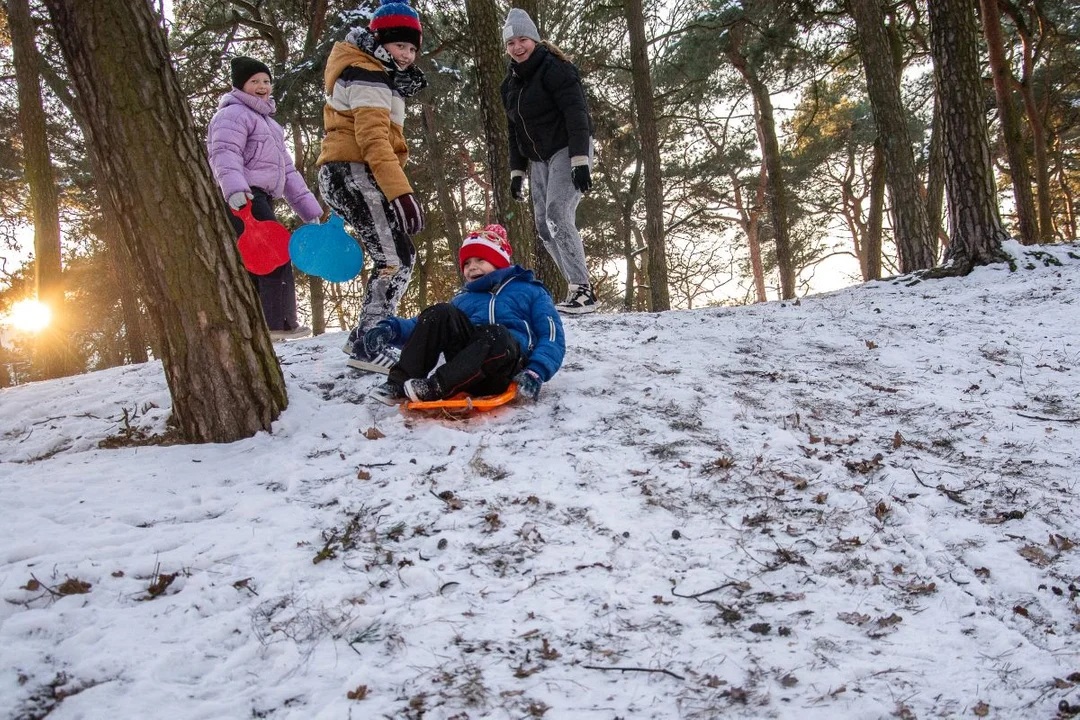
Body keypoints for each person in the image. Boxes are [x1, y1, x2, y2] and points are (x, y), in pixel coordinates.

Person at [316, 0, 428, 371]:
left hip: (349, 171)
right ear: (381, 41)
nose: (408, 54)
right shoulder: (367, 72)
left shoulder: (374, 70)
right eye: (400, 46)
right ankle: (370, 341)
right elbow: (374, 141)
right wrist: (402, 194)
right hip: (356, 170)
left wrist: (395, 81)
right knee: (394, 260)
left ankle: (361, 336)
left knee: (399, 256)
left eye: (412, 48)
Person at [364, 225, 565, 406]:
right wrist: (391, 329)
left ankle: (435, 387)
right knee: (440, 312)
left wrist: (536, 371)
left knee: (496, 333)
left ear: (499, 261)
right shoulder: (463, 299)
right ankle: (397, 385)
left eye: (480, 260)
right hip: (464, 371)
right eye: (467, 263)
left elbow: (552, 335)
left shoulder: (530, 291)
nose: (472, 267)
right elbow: (421, 327)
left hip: (506, 367)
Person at [207, 56, 322, 340]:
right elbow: (224, 154)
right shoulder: (232, 115)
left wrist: (309, 210)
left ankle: (267, 325)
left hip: (263, 197)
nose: (262, 86)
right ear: (241, 86)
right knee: (272, 254)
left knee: (263, 258)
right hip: (244, 197)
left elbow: (289, 171)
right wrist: (235, 191)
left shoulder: (270, 125)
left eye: (266, 81)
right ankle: (277, 325)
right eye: (255, 81)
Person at [500, 8, 597, 315]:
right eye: (511, 42)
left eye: (523, 39)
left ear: (534, 39)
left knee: (557, 214)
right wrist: (517, 171)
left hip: (568, 149)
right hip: (539, 159)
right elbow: (514, 130)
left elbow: (577, 113)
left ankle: (584, 290)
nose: (517, 47)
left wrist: (579, 159)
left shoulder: (556, 68)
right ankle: (575, 288)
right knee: (543, 227)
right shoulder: (510, 85)